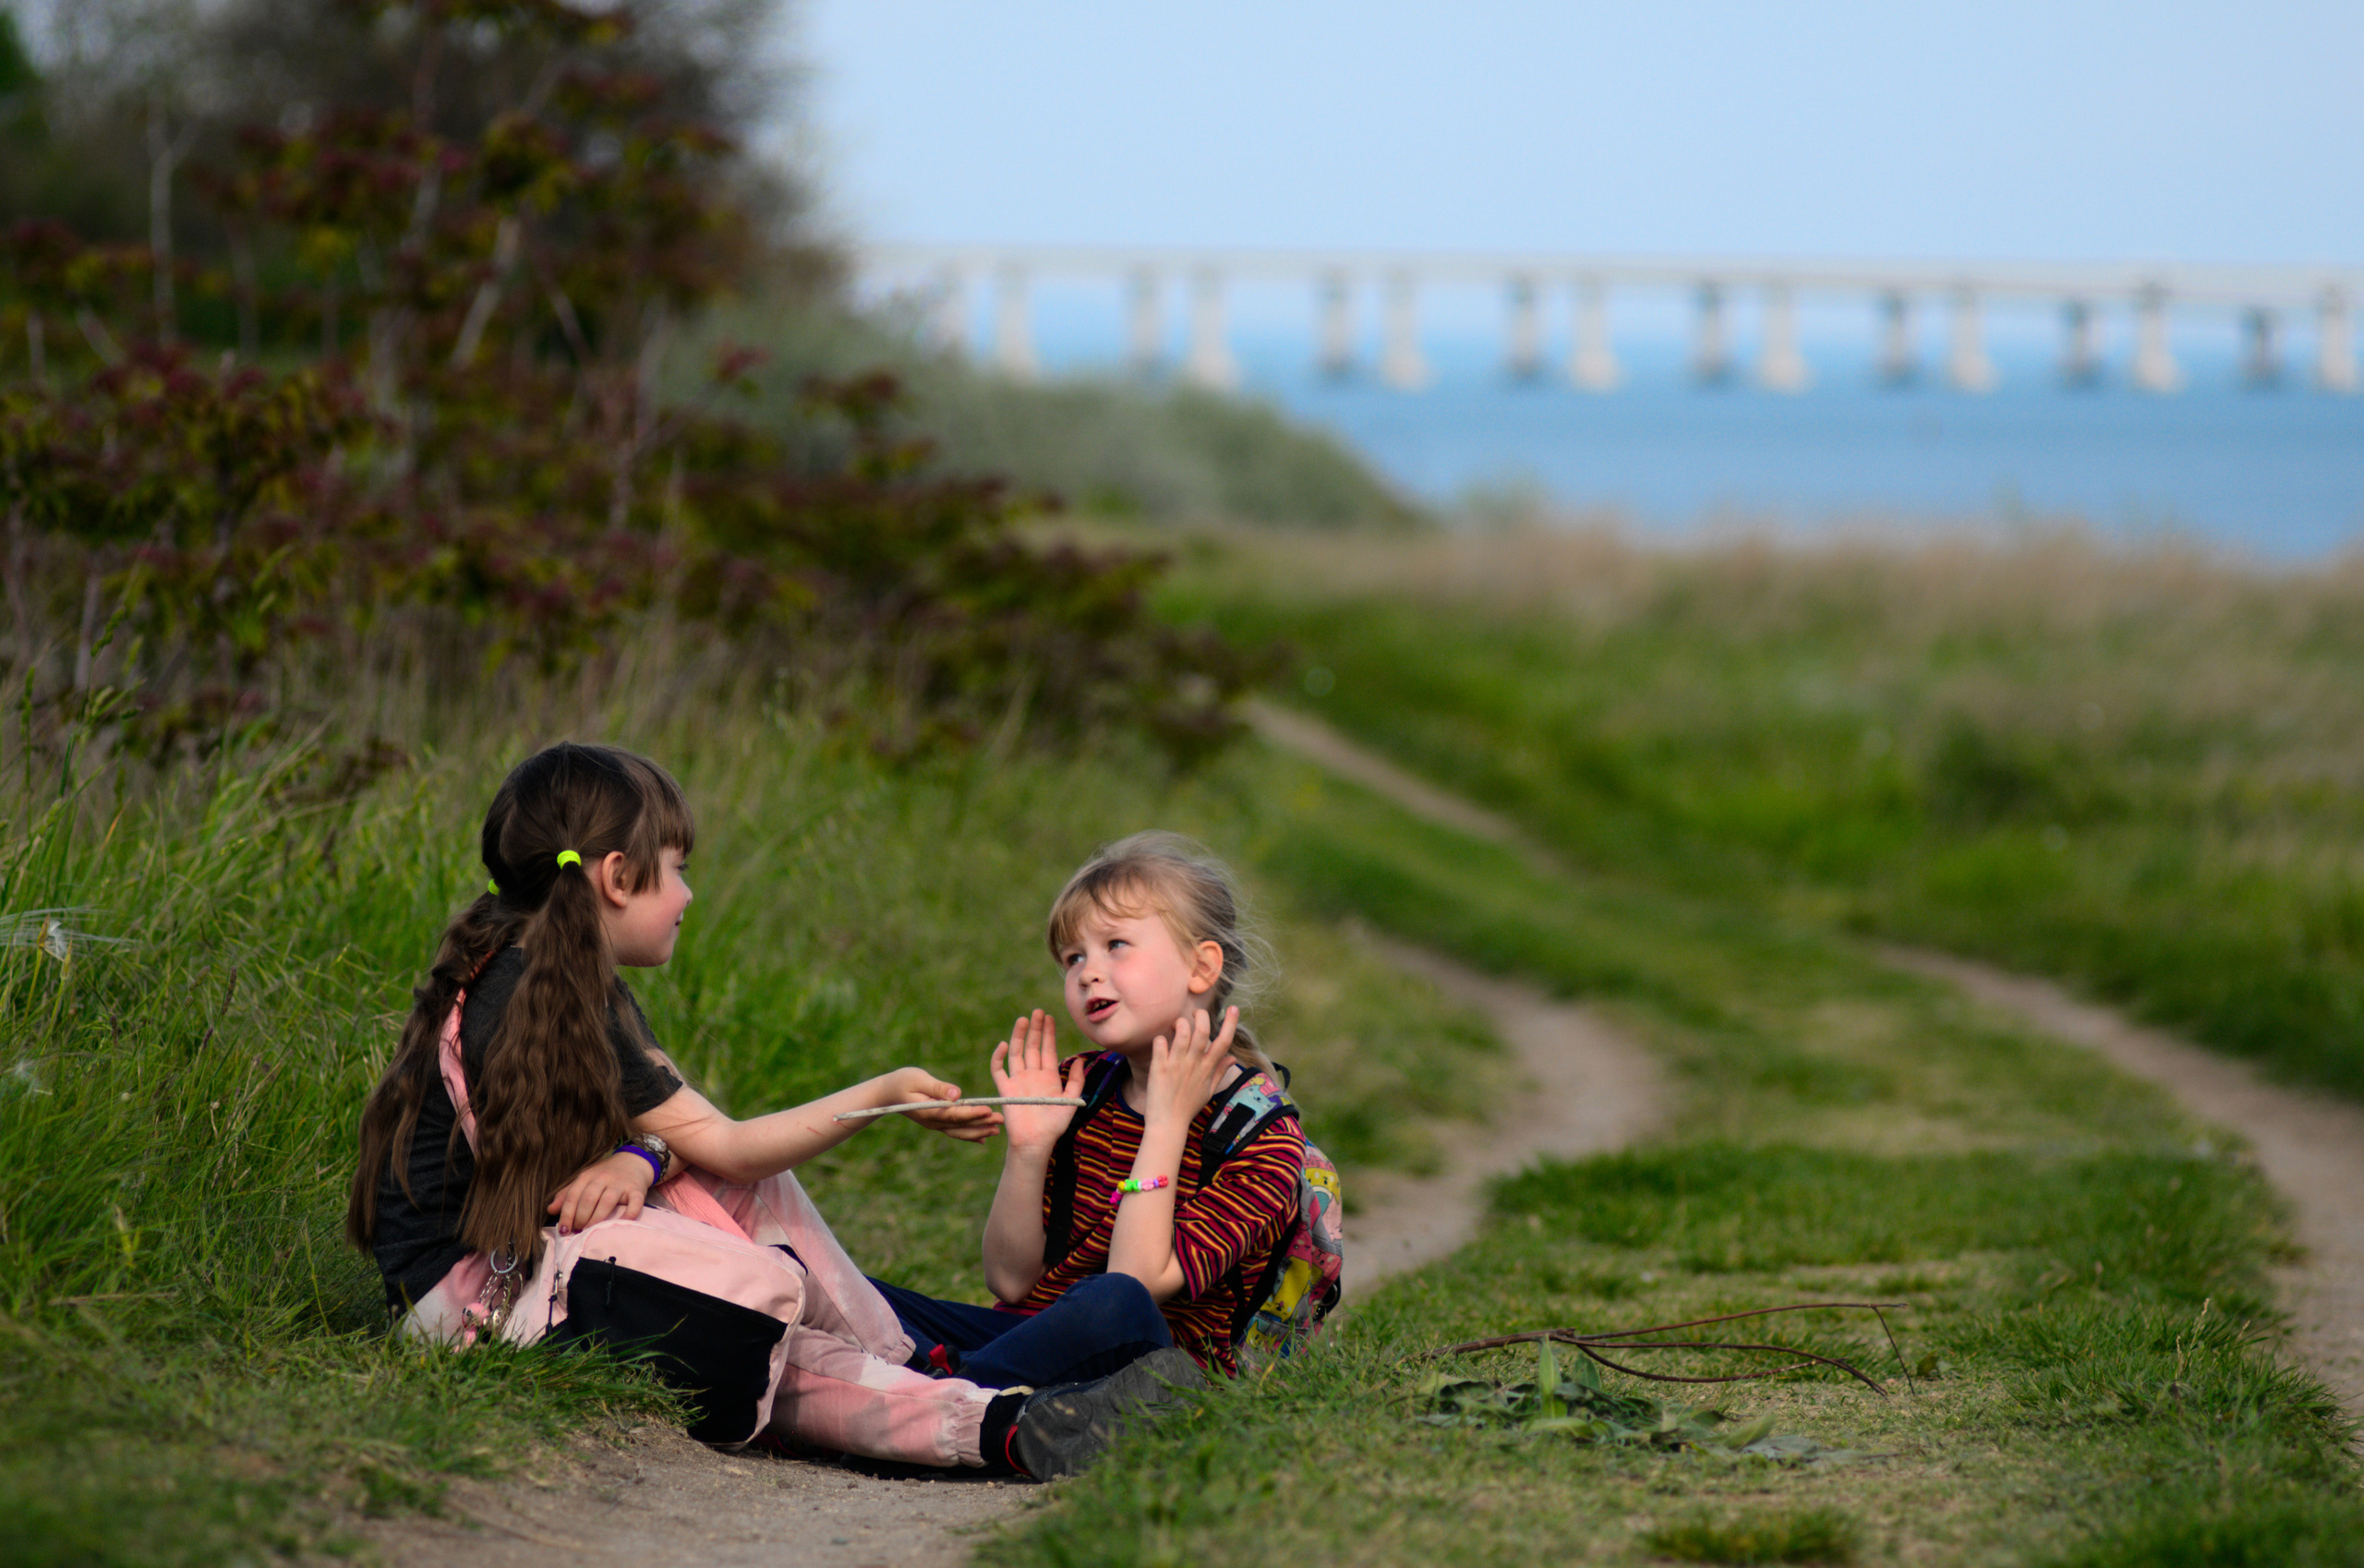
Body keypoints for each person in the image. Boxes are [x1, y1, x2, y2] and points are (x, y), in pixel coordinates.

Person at [345, 742, 1195, 1478]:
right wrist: (876, 1096)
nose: (686, 893)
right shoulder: (519, 988)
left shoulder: (563, 973)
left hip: (550, 1258)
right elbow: (723, 1144)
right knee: (758, 1296)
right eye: (677, 868)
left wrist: (640, 1157)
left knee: (752, 1215)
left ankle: (925, 1370)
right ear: (615, 877)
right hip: (479, 1304)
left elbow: (711, 1148)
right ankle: (990, 1417)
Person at [868, 832, 1309, 1386]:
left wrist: (1167, 1123)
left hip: (1149, 1366)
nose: (1087, 972)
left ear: (1201, 968)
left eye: (1116, 945)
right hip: (1029, 1336)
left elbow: (1133, 1284)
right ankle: (950, 1385)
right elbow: (1008, 1282)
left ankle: (931, 1389)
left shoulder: (1258, 1134)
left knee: (1108, 1301)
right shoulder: (1083, 1090)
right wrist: (1029, 1149)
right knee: (847, 1289)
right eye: (1073, 957)